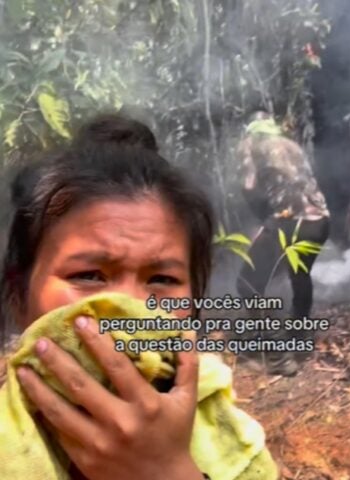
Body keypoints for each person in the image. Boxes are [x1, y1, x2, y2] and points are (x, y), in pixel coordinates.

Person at [0, 114, 221, 480]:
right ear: (18, 298)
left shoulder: (225, 436)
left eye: (163, 279)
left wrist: (167, 471)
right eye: (88, 275)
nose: (128, 311)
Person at [235, 112, 330, 375]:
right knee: (300, 276)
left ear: (252, 132)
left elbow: (248, 185)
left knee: (247, 284)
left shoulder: (250, 146)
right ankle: (298, 340)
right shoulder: (292, 146)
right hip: (320, 222)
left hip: (291, 222)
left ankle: (278, 358)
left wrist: (265, 219)